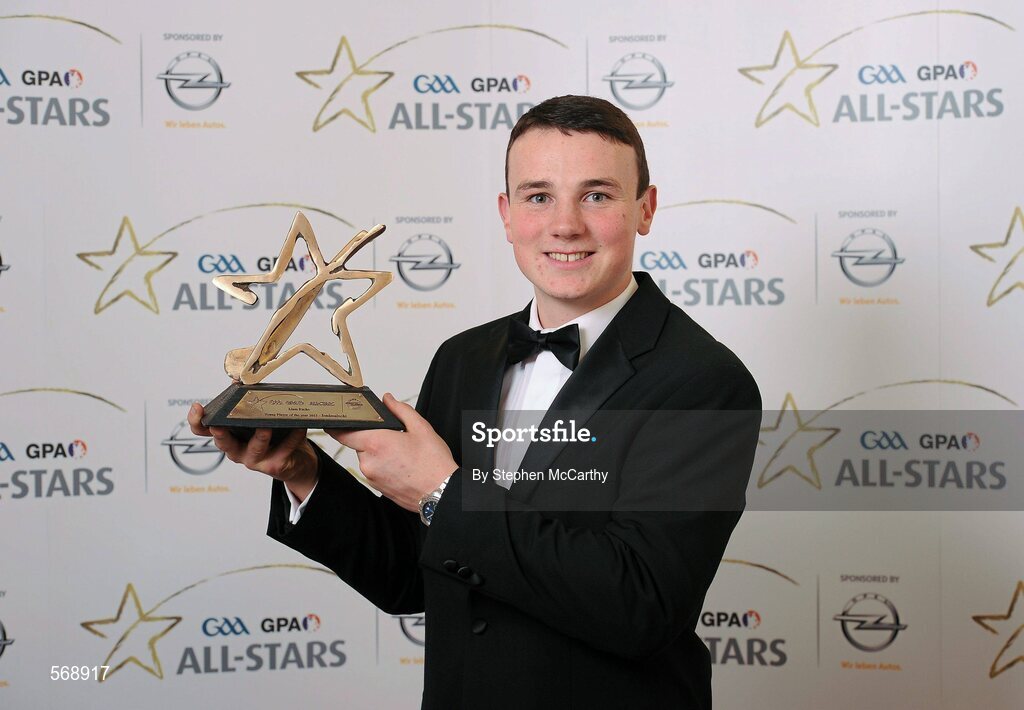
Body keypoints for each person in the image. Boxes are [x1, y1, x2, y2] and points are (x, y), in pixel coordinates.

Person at [189, 95, 761, 709]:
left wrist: (441, 490)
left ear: (645, 209)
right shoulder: (464, 358)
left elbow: (641, 606)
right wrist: (303, 473)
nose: (565, 224)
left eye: (596, 195)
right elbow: (417, 572)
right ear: (507, 213)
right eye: (538, 196)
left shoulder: (705, 382)